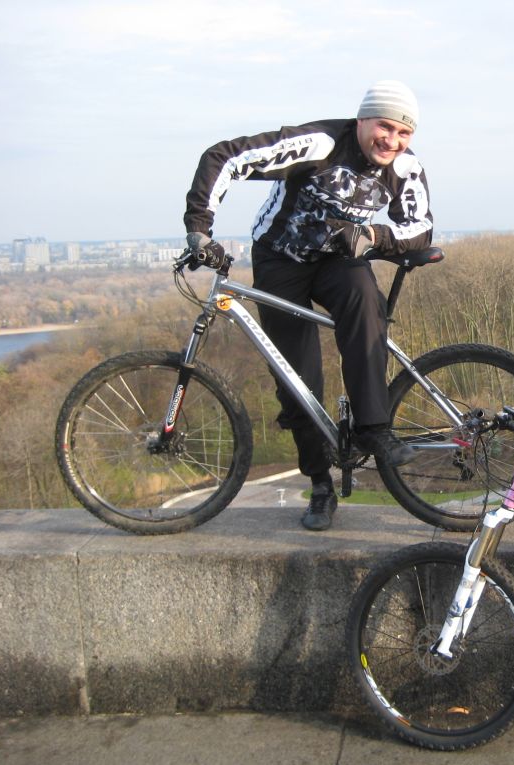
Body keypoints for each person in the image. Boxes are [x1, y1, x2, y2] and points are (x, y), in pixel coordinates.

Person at [183, 80, 433, 532]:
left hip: (340, 259)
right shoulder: (318, 143)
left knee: (364, 300)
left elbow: (420, 228)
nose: (392, 141)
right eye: (384, 127)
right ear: (362, 120)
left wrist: (374, 236)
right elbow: (225, 157)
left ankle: (374, 429)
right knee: (296, 377)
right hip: (282, 259)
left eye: (403, 132)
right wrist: (200, 228)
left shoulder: (405, 167)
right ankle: (320, 485)